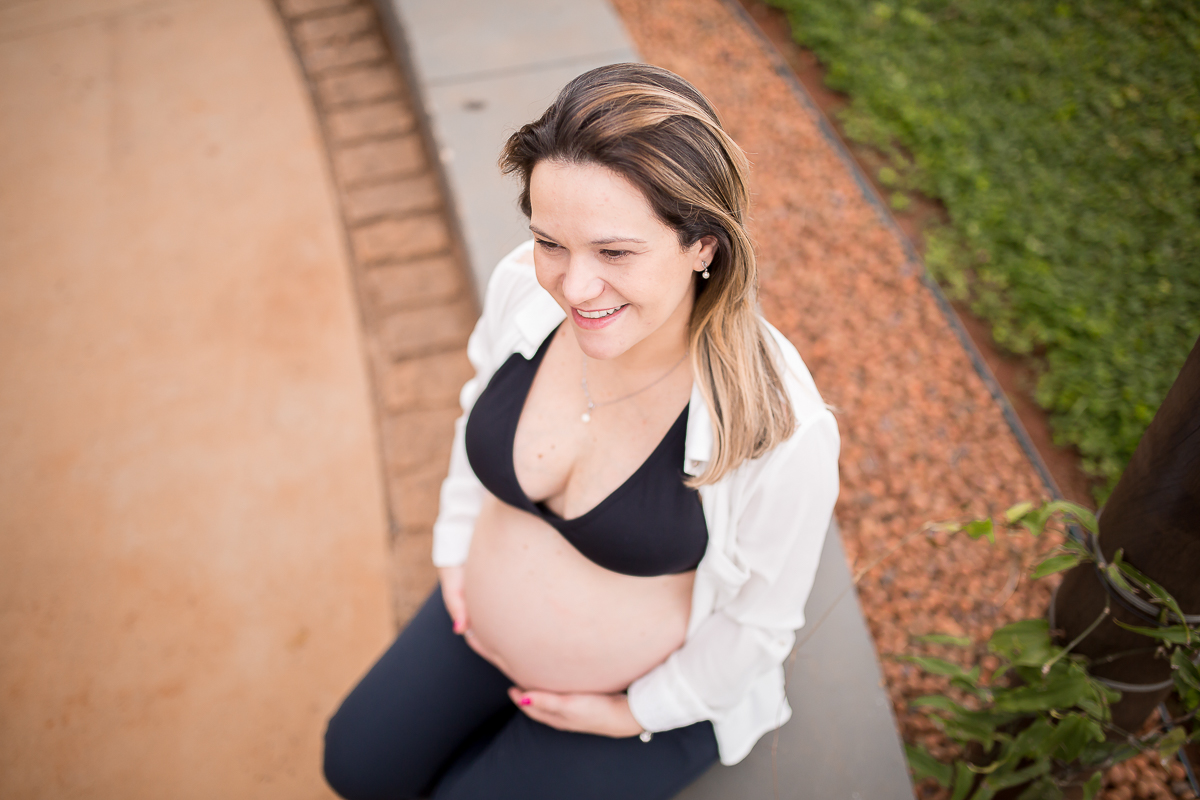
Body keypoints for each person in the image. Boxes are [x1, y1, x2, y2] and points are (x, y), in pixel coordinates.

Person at [322, 62, 840, 800]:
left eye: (615, 253)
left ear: (704, 245)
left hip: (645, 701)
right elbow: (478, 408)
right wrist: (454, 552)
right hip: (477, 623)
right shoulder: (520, 289)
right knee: (356, 765)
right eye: (550, 242)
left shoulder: (780, 428)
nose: (574, 287)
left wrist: (633, 713)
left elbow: (759, 628)